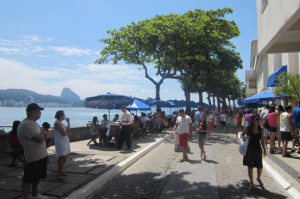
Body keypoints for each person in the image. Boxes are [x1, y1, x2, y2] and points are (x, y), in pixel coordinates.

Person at [17, 103, 48, 199]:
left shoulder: (33, 123)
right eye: (39, 111)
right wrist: (43, 134)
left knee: (36, 177)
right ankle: (26, 197)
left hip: (40, 154)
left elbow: (42, 134)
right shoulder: (27, 124)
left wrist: (42, 134)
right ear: (34, 113)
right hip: (33, 155)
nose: (40, 113)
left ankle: (35, 194)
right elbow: (41, 138)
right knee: (28, 177)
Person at [241, 114, 266, 190]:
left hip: (258, 148)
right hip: (250, 148)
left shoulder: (261, 128)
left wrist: (264, 149)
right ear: (253, 120)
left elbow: (262, 140)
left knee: (259, 166)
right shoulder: (248, 128)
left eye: (259, 119)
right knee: (250, 166)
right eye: (257, 119)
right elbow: (242, 135)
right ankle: (251, 182)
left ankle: (258, 178)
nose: (259, 120)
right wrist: (246, 137)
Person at [53, 110, 71, 181]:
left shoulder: (61, 124)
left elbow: (68, 131)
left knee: (61, 158)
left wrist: (68, 123)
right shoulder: (57, 123)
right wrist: (66, 132)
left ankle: (60, 172)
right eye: (63, 114)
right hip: (60, 142)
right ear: (61, 116)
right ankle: (58, 175)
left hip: (63, 142)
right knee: (63, 158)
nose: (64, 116)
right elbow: (64, 133)